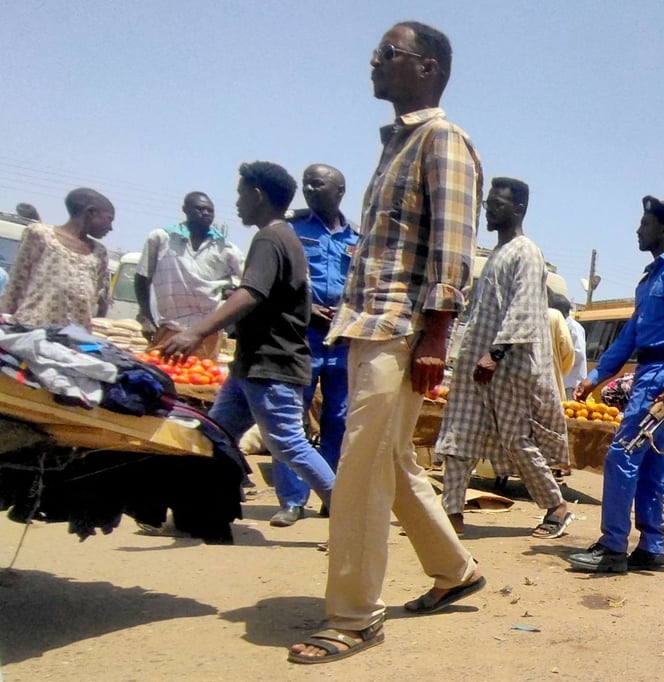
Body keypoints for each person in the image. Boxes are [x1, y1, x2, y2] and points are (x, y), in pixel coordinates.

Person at [289, 22, 485, 665]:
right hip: (370, 324)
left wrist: (436, 333)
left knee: (361, 470)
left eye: (388, 53)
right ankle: (455, 570)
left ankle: (352, 616)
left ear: (426, 68)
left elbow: (453, 248)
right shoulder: (397, 145)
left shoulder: (443, 141)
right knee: (392, 463)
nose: (373, 61)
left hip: (400, 331)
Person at [157, 162, 335, 524]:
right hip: (251, 365)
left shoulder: (271, 238)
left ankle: (353, 519)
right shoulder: (280, 236)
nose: (236, 203)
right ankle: (192, 517)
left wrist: (196, 332)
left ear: (257, 195)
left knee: (288, 443)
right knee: (212, 437)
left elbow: (250, 293)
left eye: (240, 194)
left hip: (273, 364)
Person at [567, 195, 664, 574]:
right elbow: (629, 337)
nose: (637, 230)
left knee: (621, 455)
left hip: (661, 380)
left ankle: (613, 547)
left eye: (644, 224)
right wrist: (595, 377)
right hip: (648, 374)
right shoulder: (649, 280)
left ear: (663, 229)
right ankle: (651, 547)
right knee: (651, 466)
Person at [435, 177, 572, 539]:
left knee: (516, 440)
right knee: (459, 434)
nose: (489, 211)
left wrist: (495, 355)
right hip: (476, 364)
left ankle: (556, 506)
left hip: (509, 365)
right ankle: (451, 515)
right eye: (487, 204)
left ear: (519, 209)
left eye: (497, 204)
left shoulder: (526, 251)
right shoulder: (497, 253)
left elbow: (524, 307)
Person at [269, 163, 359, 527]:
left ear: (339, 191)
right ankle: (292, 500)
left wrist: (348, 313)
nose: (308, 189)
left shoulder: (358, 238)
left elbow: (366, 286)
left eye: (317, 184)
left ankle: (331, 494)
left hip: (342, 339)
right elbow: (276, 280)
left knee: (338, 418)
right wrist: (307, 309)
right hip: (300, 336)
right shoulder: (290, 230)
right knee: (292, 418)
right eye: (306, 184)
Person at [135, 192, 244, 359]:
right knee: (165, 375)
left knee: (201, 378)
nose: (206, 214)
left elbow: (250, 283)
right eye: (200, 209)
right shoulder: (161, 238)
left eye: (210, 211)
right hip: (170, 328)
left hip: (207, 333)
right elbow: (142, 277)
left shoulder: (226, 249)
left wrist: (231, 292)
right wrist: (146, 316)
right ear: (185, 209)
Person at [0, 188, 112, 329]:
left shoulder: (99, 252)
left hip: (75, 337)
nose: (110, 227)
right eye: (109, 219)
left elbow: (94, 296)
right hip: (32, 329)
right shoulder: (40, 234)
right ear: (91, 213)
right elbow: (16, 283)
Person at [551, 291, 587, 398]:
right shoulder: (560, 325)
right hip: (563, 380)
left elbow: (577, 353)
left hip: (571, 382)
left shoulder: (574, 327)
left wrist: (558, 362)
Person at [546, 290, 576, 401]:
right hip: (550, 385)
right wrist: (560, 370)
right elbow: (568, 350)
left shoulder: (514, 314)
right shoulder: (554, 315)